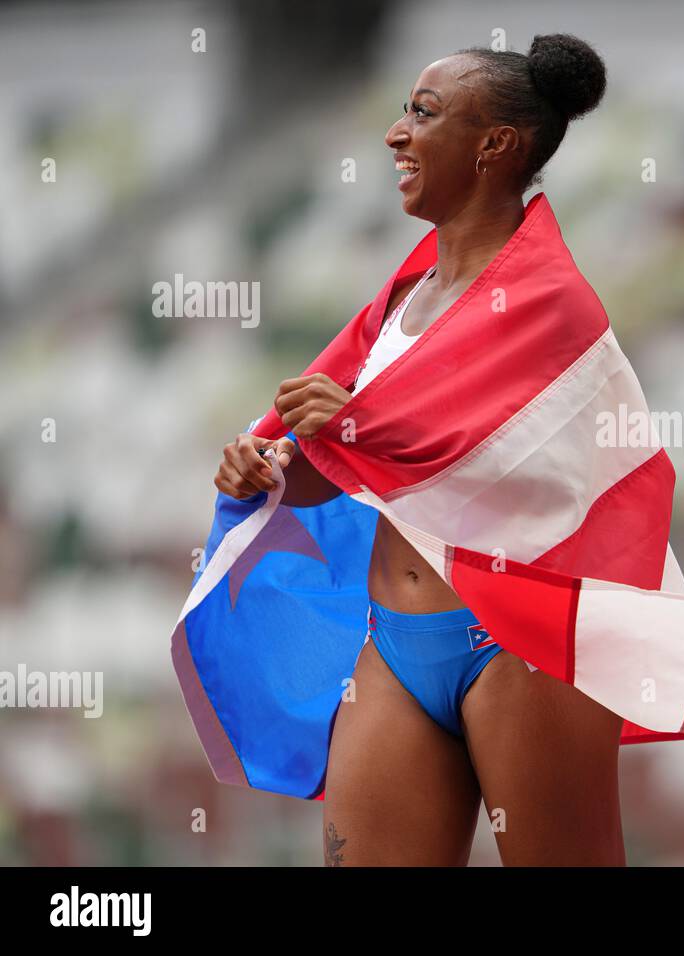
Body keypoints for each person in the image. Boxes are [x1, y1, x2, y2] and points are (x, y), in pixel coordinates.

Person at [211, 34, 626, 866]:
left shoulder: (553, 301)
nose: (396, 134)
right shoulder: (399, 302)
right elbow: (345, 475)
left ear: (494, 146)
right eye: (403, 111)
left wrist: (356, 426)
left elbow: (497, 458)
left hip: (517, 641)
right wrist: (266, 472)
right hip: (395, 642)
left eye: (423, 114)